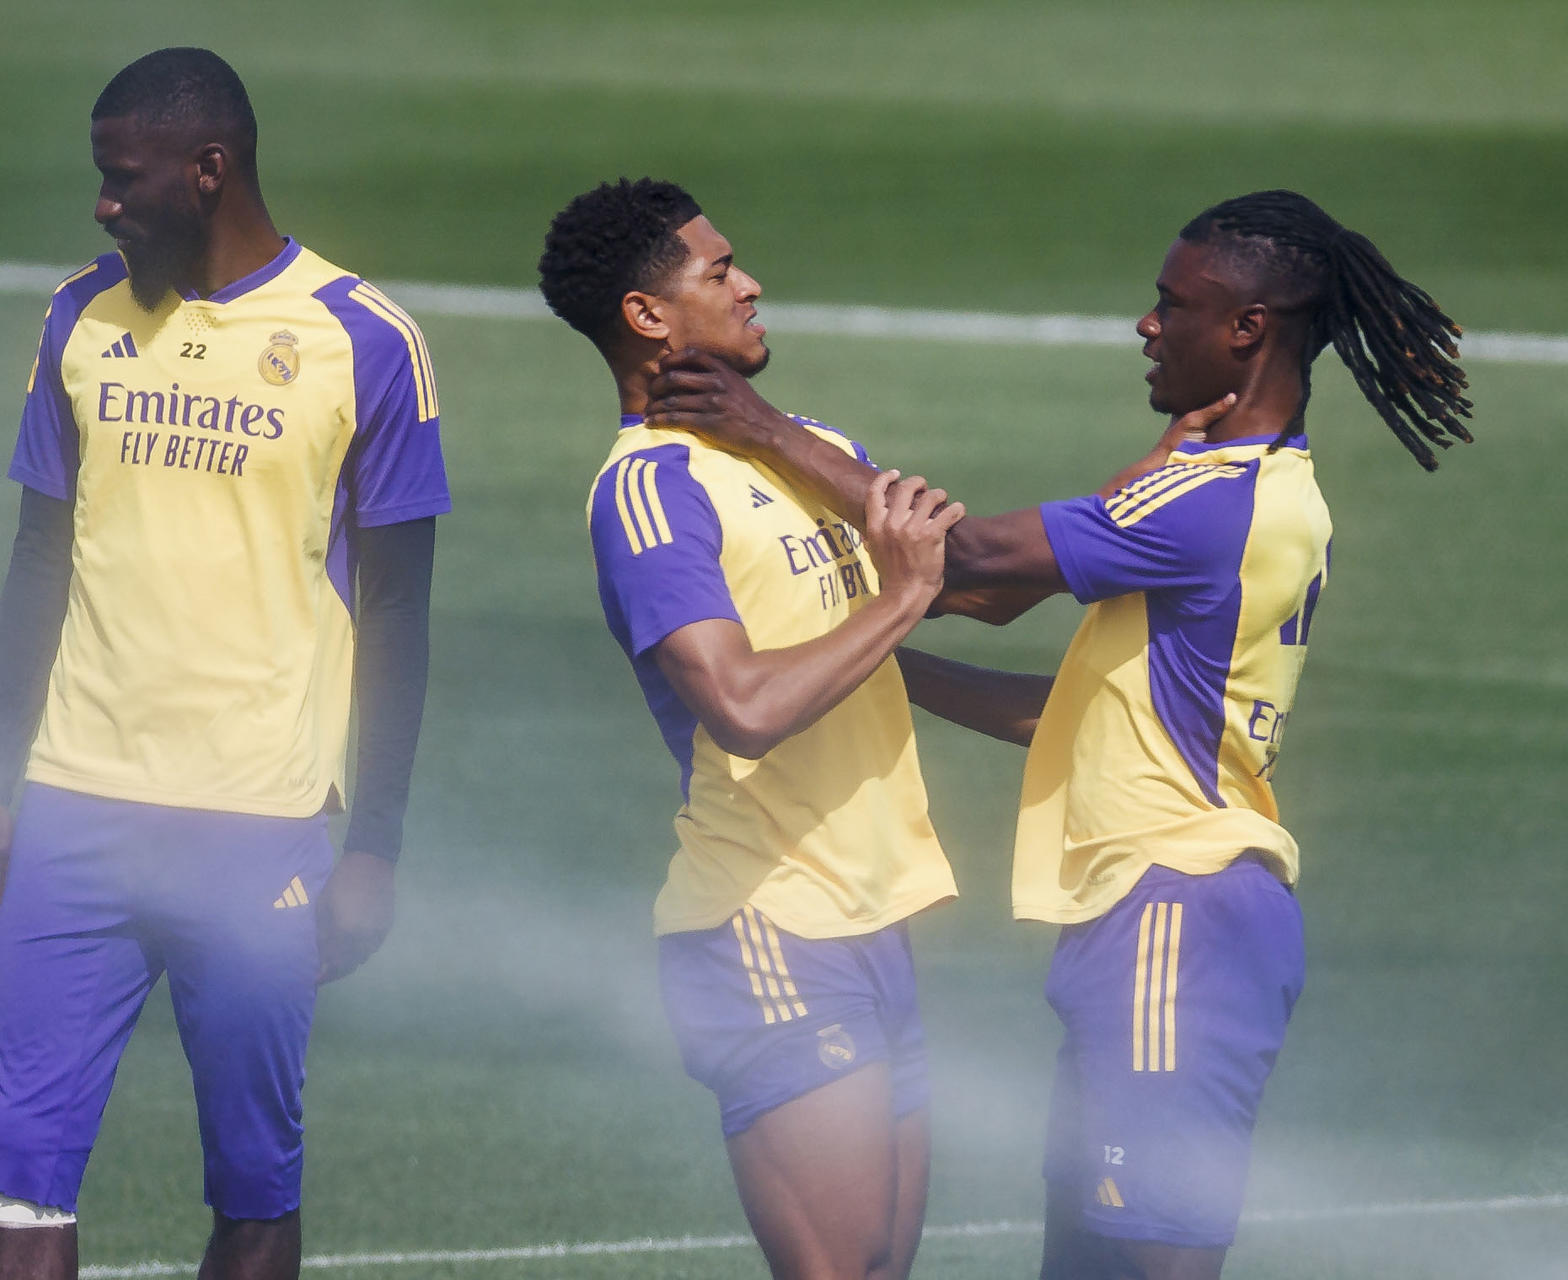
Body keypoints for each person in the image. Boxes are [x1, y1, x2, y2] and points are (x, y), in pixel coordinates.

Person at [646, 187, 1473, 1279]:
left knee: (1152, 1260)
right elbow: (1057, 701)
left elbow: (977, 564)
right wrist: (871, 658)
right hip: (1147, 922)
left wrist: (760, 429)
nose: (1146, 324)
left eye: (1171, 304)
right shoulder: (1233, 491)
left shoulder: (1214, 502)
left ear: (1247, 330)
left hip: (1180, 914)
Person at [0, 48, 449, 1280]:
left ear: (208, 171)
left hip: (258, 821)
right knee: (15, 1189)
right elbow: (38, 563)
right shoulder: (78, 318)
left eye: (121, 177)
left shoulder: (362, 340)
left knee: (255, 1184)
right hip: (75, 806)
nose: (102, 203)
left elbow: (403, 613)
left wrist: (376, 848)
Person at [537, 177, 969, 1280]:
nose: (751, 282)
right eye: (719, 270)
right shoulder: (648, 490)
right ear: (649, 316)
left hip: (878, 916)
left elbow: (956, 568)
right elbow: (741, 703)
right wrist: (901, 594)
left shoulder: (806, 441)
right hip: (766, 926)